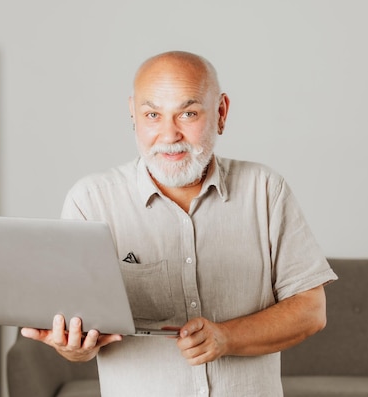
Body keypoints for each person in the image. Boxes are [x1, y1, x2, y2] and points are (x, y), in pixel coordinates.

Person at [21, 50, 338, 396]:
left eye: (187, 113)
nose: (169, 135)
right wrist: (74, 347)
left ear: (220, 112)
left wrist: (226, 337)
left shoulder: (265, 190)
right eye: (153, 114)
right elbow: (78, 334)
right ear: (133, 114)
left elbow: (311, 311)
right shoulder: (90, 201)